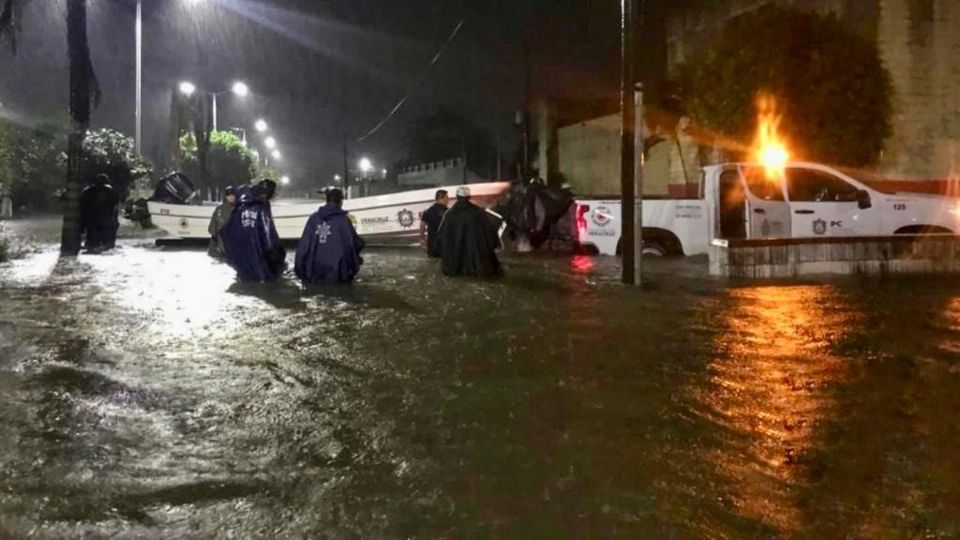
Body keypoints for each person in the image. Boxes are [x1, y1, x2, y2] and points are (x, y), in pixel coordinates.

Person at [295, 188, 365, 285]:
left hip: (314, 272)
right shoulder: (343, 221)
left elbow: (303, 247)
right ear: (341, 202)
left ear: (327, 200)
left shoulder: (314, 219)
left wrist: (300, 270)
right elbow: (353, 244)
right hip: (338, 274)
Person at [219, 185, 283, 282]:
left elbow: (227, 230)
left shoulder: (239, 209)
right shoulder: (261, 207)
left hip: (243, 250)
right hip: (259, 250)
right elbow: (268, 233)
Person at [438, 186, 502, 278]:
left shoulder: (450, 214)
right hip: (479, 265)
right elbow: (491, 231)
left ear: (457, 196)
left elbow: (442, 236)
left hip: (456, 266)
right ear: (469, 197)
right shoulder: (479, 212)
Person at [80, 173, 120, 253]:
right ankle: (104, 244)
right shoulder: (110, 191)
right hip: (104, 218)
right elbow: (115, 206)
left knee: (93, 237)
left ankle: (93, 244)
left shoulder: (87, 191)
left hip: (91, 219)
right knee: (107, 238)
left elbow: (82, 206)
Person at [207, 186, 236, 259]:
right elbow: (213, 226)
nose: (231, 197)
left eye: (233, 194)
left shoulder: (239, 208)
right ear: (226, 196)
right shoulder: (219, 209)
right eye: (228, 195)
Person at [419, 189, 449, 258]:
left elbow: (422, 225)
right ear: (442, 198)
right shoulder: (447, 212)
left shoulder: (428, 211)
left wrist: (422, 239)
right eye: (447, 197)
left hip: (431, 244)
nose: (448, 200)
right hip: (443, 245)